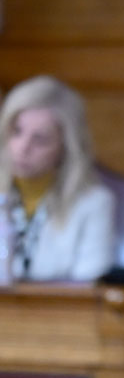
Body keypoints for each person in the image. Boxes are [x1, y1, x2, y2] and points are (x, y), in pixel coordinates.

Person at [1, 76, 115, 283]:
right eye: (16, 132)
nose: (23, 148)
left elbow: (89, 285)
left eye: (40, 139)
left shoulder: (94, 204)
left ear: (66, 147)